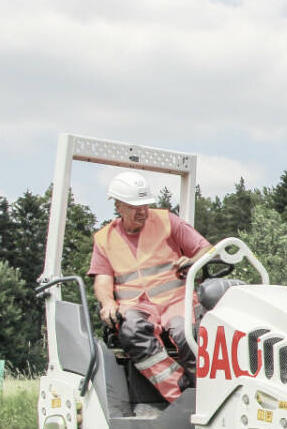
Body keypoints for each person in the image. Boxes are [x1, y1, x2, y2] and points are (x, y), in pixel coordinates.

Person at [89, 172, 211, 405]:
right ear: (118, 206)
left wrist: (193, 260)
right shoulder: (104, 239)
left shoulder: (168, 221)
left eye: (145, 205)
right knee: (132, 332)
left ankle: (206, 395)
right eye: (135, 206)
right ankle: (179, 392)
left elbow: (205, 249)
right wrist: (107, 303)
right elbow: (102, 279)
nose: (143, 211)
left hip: (175, 300)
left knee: (187, 334)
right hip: (135, 306)